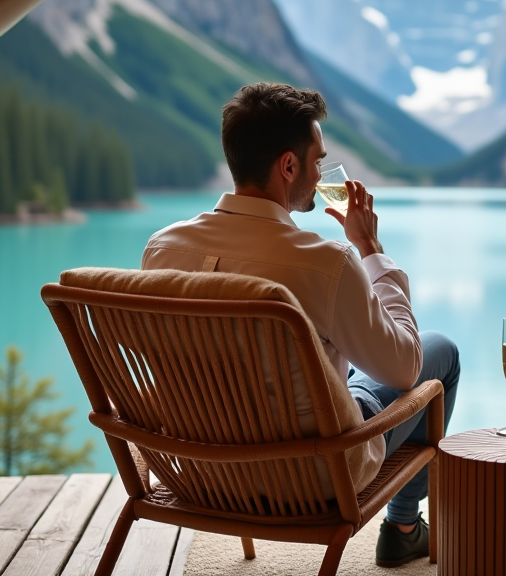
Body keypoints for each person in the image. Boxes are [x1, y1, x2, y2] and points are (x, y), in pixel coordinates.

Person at [142, 83, 460, 569]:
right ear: (288, 167)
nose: (320, 174)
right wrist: (371, 249)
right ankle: (403, 527)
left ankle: (402, 523)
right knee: (439, 352)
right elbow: (404, 367)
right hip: (312, 474)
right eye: (317, 162)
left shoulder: (163, 249)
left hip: (201, 469)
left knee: (341, 367)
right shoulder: (324, 263)